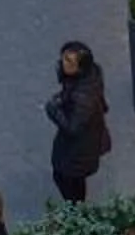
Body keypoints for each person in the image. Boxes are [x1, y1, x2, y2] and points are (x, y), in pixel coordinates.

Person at [47, 42, 112, 203]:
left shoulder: (83, 97)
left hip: (78, 150)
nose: (63, 62)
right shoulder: (91, 74)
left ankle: (76, 209)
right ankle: (77, 205)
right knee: (72, 179)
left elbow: (73, 127)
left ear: (81, 68)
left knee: (65, 178)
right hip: (86, 142)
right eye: (64, 57)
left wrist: (53, 109)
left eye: (69, 61)